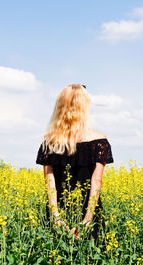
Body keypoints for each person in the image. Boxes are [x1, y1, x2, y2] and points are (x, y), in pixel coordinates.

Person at [36, 83, 114, 242]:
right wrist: (87, 219)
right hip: (87, 210)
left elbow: (49, 181)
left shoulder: (49, 142)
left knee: (57, 256)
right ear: (84, 107)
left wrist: (56, 217)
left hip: (60, 210)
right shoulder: (99, 141)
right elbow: (96, 180)